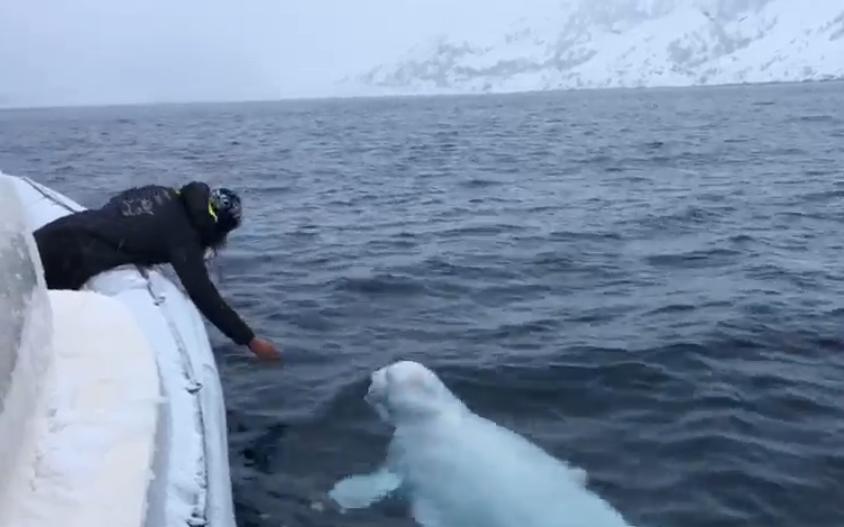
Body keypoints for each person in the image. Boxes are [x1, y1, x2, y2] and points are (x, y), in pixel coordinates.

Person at [32, 181, 279, 360]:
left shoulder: (162, 193)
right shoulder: (183, 238)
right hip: (64, 257)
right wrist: (250, 340)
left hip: (52, 233)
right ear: (217, 228)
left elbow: (120, 209)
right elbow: (202, 293)